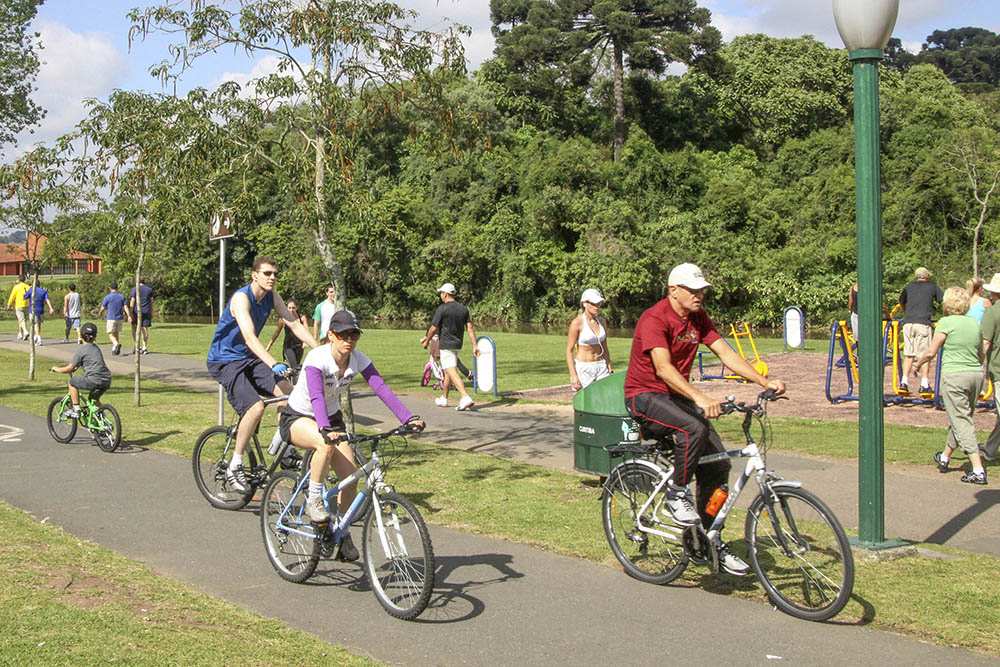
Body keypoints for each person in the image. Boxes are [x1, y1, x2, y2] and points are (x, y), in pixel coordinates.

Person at [624, 262, 786, 575]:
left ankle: (707, 540)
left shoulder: (699, 318)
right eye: (693, 290)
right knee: (693, 427)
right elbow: (663, 368)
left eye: (703, 290)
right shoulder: (654, 318)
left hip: (676, 397)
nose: (699, 295)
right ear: (673, 290)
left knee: (718, 465)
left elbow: (726, 354)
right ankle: (677, 493)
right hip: (644, 396)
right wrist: (699, 398)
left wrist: (764, 382)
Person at [280, 309, 425, 559]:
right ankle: (314, 500)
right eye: (343, 334)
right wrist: (324, 428)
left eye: (354, 334)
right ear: (330, 335)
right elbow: (316, 396)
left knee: (351, 478)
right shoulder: (317, 358)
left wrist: (408, 418)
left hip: (331, 419)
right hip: (299, 416)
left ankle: (339, 528)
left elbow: (382, 388)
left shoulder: (358, 359)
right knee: (324, 445)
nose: (349, 339)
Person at [206, 257, 320, 493]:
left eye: (275, 274)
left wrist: (319, 350)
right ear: (254, 275)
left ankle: (284, 449)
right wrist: (273, 363)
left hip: (249, 358)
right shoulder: (241, 298)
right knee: (255, 407)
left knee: (290, 394)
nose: (272, 277)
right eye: (267, 273)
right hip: (225, 361)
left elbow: (294, 325)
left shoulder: (272, 296)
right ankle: (235, 464)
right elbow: (249, 337)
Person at [916, 287, 987, 485]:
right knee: (962, 417)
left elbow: (931, 351)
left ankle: (978, 469)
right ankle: (945, 456)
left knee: (962, 420)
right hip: (975, 374)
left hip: (955, 375)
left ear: (947, 304)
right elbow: (981, 353)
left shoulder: (946, 323)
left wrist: (918, 364)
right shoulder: (974, 323)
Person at [420, 283, 480, 410]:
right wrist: (475, 345)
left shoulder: (442, 309)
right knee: (447, 372)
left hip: (446, 344)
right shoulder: (463, 309)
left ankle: (465, 397)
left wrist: (426, 341)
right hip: (458, 344)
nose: (441, 295)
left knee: (451, 371)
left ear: (445, 294)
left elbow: (433, 328)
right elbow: (470, 328)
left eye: (441, 293)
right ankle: (444, 398)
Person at [48, 323, 111, 418]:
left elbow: (70, 368)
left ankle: (76, 409)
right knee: (93, 399)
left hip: (93, 379)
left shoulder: (81, 351)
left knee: (72, 382)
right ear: (95, 337)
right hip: (106, 379)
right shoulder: (96, 348)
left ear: (81, 335)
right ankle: (102, 419)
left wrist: (56, 369)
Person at [898, 267, 944, 394]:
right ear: (927, 277)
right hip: (923, 323)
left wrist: (906, 313)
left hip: (908, 324)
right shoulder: (932, 286)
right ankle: (924, 383)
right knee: (925, 354)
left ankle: (904, 382)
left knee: (908, 354)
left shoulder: (909, 286)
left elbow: (901, 301)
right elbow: (942, 300)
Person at [566, 288, 612, 391]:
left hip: (601, 366)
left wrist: (608, 366)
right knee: (586, 398)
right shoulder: (577, 323)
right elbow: (569, 351)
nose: (597, 306)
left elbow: (605, 348)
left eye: (599, 303)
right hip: (584, 367)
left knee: (604, 396)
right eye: (594, 303)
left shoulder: (602, 322)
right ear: (584, 303)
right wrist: (573, 375)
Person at [978, 274, 1000, 463]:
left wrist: (977, 364)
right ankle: (990, 449)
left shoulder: (992, 312)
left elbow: (985, 343)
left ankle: (990, 450)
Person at [265, 298, 308, 371]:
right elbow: (277, 333)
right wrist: (269, 345)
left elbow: (306, 331)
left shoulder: (302, 318)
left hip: (299, 347)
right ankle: (286, 372)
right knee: (294, 367)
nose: (291, 310)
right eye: (289, 308)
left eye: (293, 308)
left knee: (296, 367)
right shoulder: (283, 319)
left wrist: (305, 342)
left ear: (297, 307)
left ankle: (288, 374)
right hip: (288, 347)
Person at [99, 283, 129, 355]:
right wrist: (129, 315)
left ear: (110, 288)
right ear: (117, 288)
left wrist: (100, 313)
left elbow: (103, 308)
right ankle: (114, 349)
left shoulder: (107, 297)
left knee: (110, 333)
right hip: (119, 317)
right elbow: (125, 307)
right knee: (116, 333)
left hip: (111, 317)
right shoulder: (121, 297)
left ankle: (116, 344)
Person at [128, 278, 155, 354]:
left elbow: (132, 301)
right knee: (144, 329)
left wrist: (130, 313)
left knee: (134, 327)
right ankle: (144, 347)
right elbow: (151, 302)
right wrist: (152, 311)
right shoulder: (149, 290)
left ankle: (137, 345)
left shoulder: (135, 289)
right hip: (146, 311)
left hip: (136, 312)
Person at [27, 279, 54, 345]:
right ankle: (36, 335)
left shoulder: (31, 290)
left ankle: (38, 337)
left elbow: (25, 296)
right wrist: (50, 307)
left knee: (35, 323)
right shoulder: (43, 291)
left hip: (33, 310)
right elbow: (47, 299)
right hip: (41, 309)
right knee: (39, 324)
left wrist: (29, 289)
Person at [6, 273, 30, 340]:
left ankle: (25, 331)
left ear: (19, 280)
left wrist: (9, 304)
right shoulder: (28, 287)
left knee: (21, 319)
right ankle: (20, 333)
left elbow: (12, 296)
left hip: (19, 304)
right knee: (22, 319)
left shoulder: (16, 287)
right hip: (27, 304)